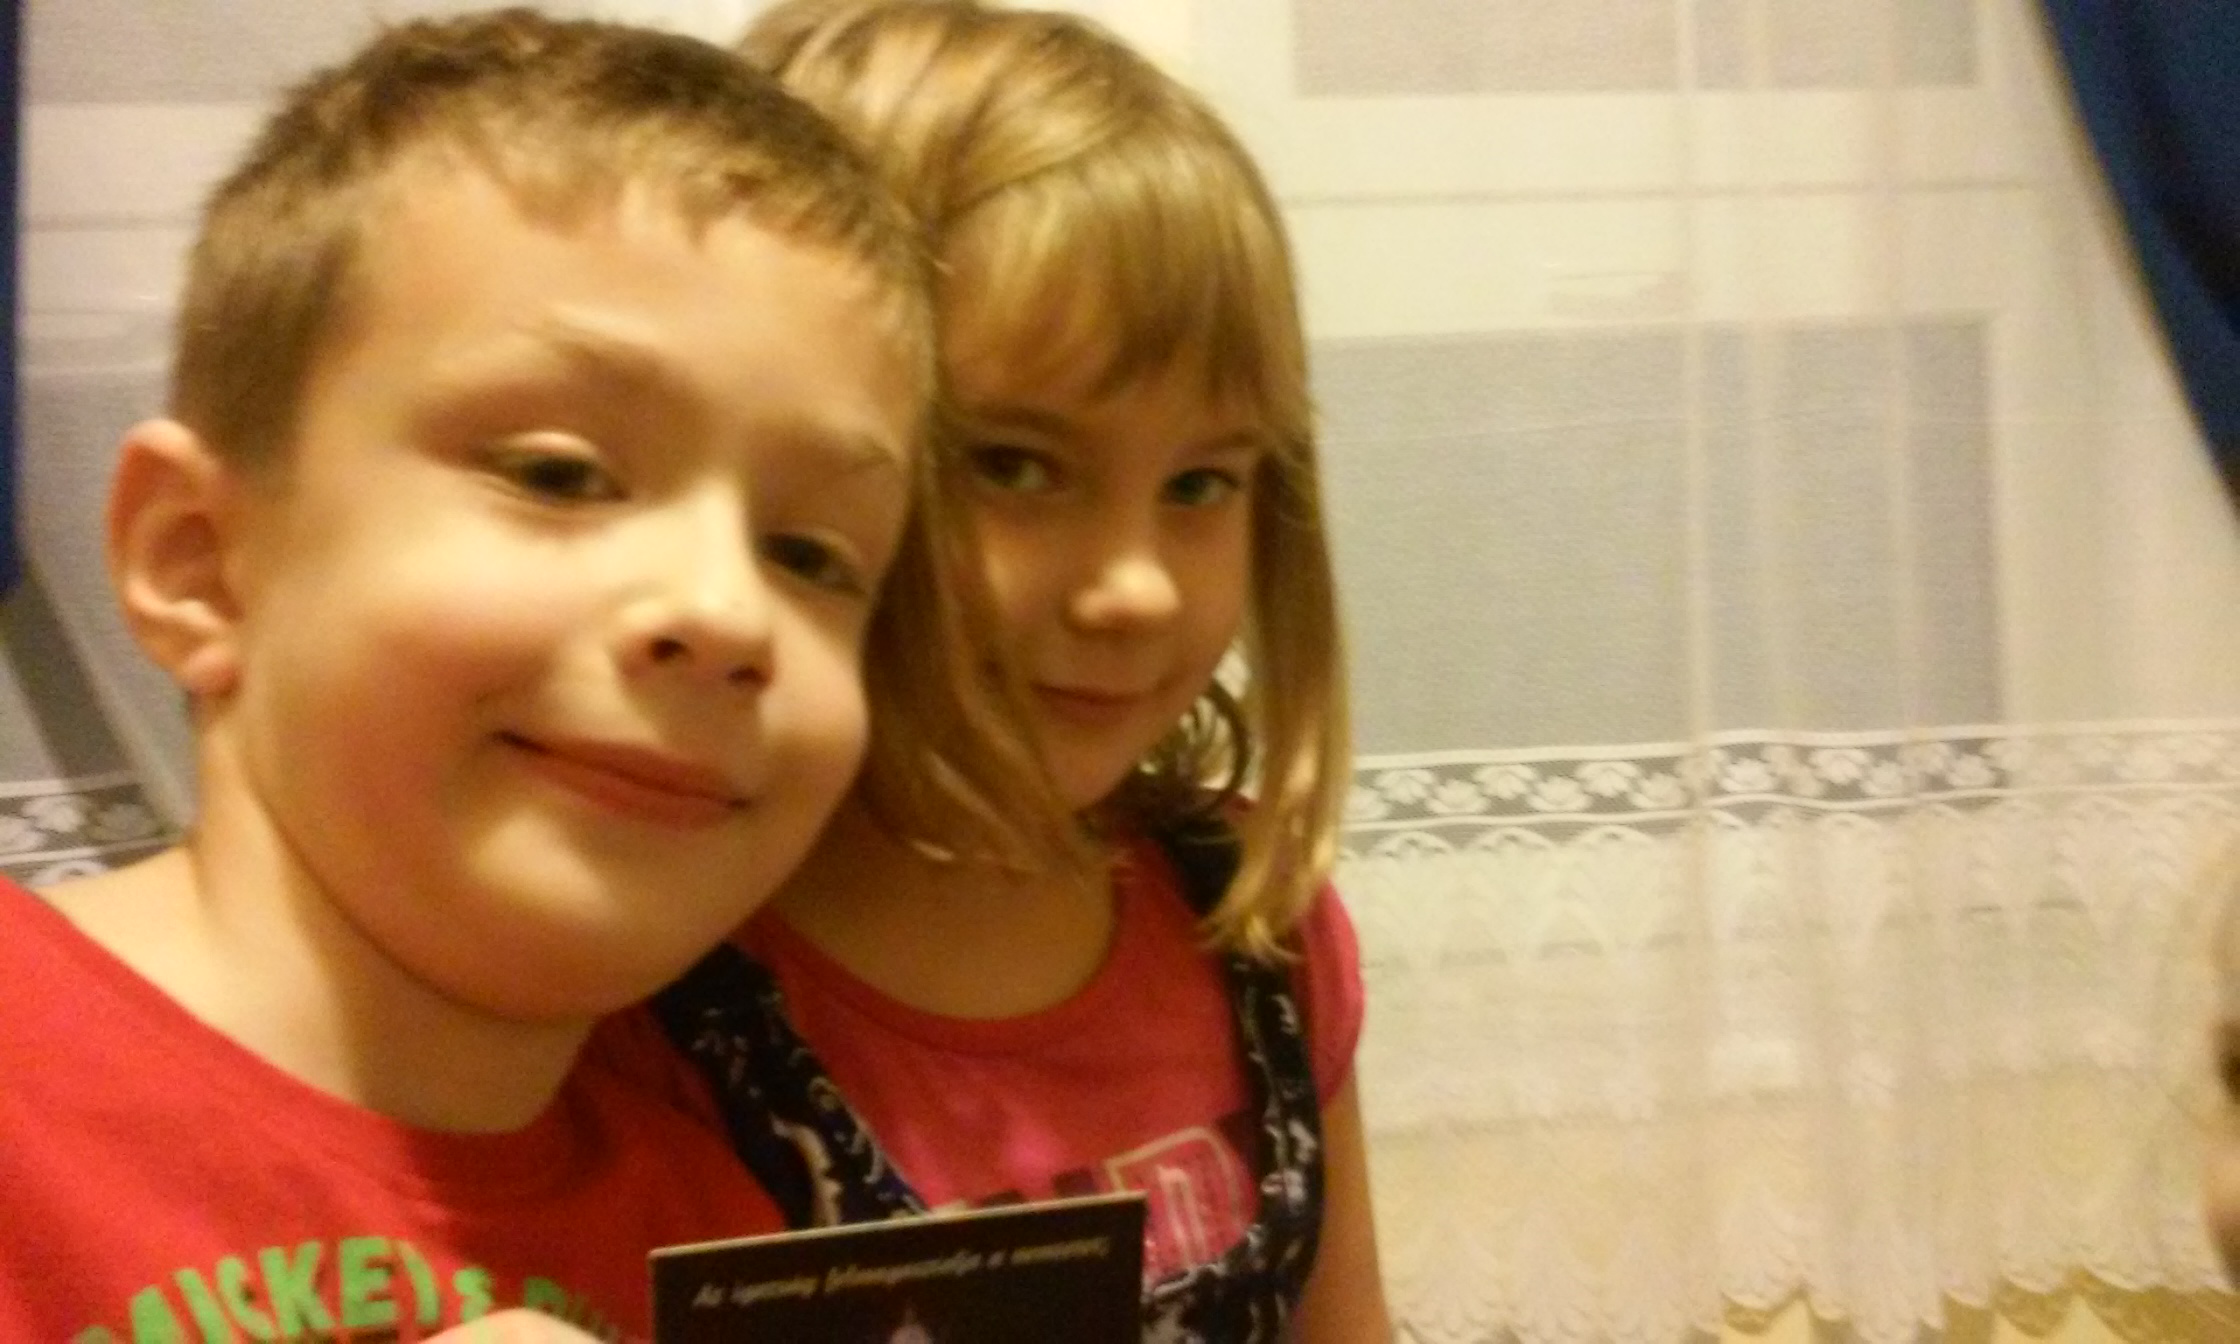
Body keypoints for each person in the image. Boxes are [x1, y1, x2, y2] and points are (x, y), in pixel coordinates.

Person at [0, 9, 1035, 1340]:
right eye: (559, 474)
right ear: (201, 562)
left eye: (811, 556)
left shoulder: (724, 1246)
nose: (727, 612)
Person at [637, 3, 1391, 1338]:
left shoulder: (1252, 925)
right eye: (1016, 465)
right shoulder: (640, 981)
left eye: (1201, 482)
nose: (1137, 589)